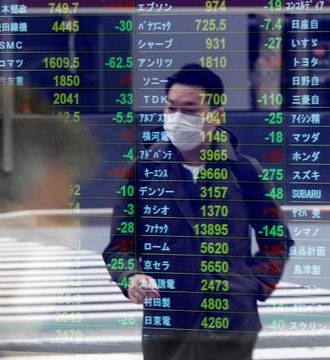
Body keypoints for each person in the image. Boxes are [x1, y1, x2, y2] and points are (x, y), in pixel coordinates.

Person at [102, 64, 292, 360]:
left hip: (231, 319)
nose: (178, 119)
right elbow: (120, 246)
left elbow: (277, 241)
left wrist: (250, 287)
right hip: (167, 318)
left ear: (216, 115)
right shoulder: (143, 171)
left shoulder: (244, 171)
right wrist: (131, 276)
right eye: (171, 108)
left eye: (190, 110)